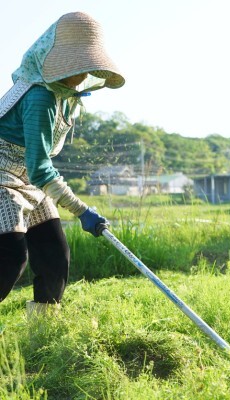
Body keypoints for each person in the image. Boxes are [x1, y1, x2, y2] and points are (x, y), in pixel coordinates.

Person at [0, 12, 125, 313]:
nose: (81, 74)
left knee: (56, 257)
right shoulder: (40, 97)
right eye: (75, 65)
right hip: (2, 179)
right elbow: (43, 167)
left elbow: (38, 169)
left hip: (29, 182)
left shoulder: (65, 97)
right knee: (11, 256)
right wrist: (82, 211)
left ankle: (41, 335)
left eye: (85, 65)